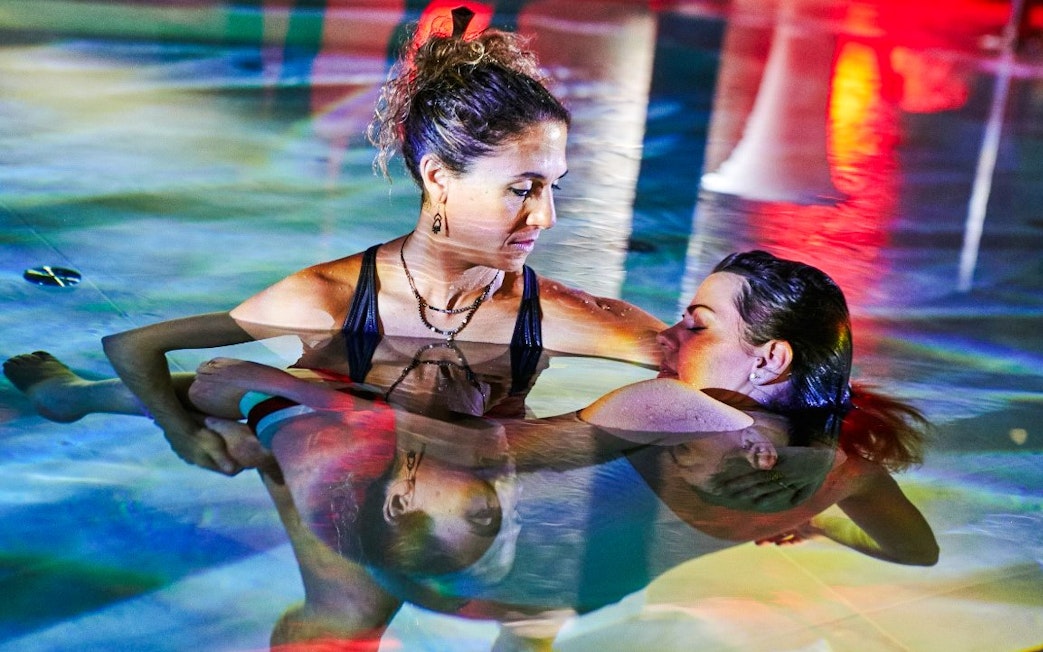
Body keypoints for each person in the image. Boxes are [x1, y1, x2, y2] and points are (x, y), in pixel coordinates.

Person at [3, 250, 940, 649]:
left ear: (768, 355)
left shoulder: (671, 408)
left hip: (444, 565)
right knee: (587, 519)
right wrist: (814, 531)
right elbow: (914, 552)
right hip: (547, 593)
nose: (671, 331)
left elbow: (486, 452)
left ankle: (69, 401)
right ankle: (79, 401)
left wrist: (287, 388)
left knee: (245, 388)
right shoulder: (846, 462)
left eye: (695, 320)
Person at [52, 8, 665, 475]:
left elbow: (697, 368)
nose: (547, 216)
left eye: (554, 186)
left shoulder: (547, 314)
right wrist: (182, 437)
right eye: (523, 188)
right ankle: (69, 395)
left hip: (444, 471)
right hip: (327, 442)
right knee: (215, 395)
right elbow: (133, 345)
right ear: (438, 178)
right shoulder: (331, 300)